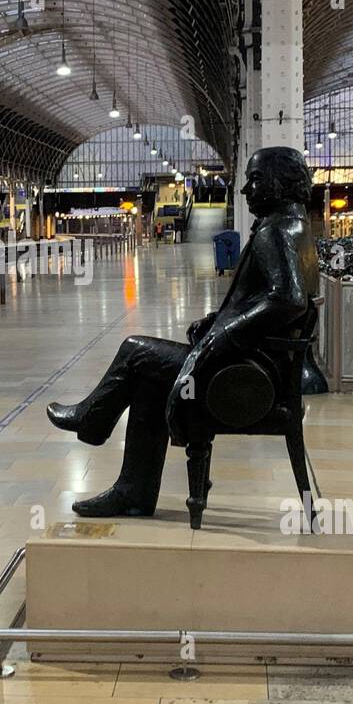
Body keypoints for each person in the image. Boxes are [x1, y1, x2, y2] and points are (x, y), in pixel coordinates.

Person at [47, 146, 319, 517]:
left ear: (280, 182)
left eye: (254, 180)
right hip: (256, 364)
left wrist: (223, 335)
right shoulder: (297, 226)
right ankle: (134, 492)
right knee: (148, 380)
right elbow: (271, 298)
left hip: (245, 375)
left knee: (135, 349)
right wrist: (216, 320)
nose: (246, 191)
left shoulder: (278, 231)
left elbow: (287, 300)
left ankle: (93, 420)